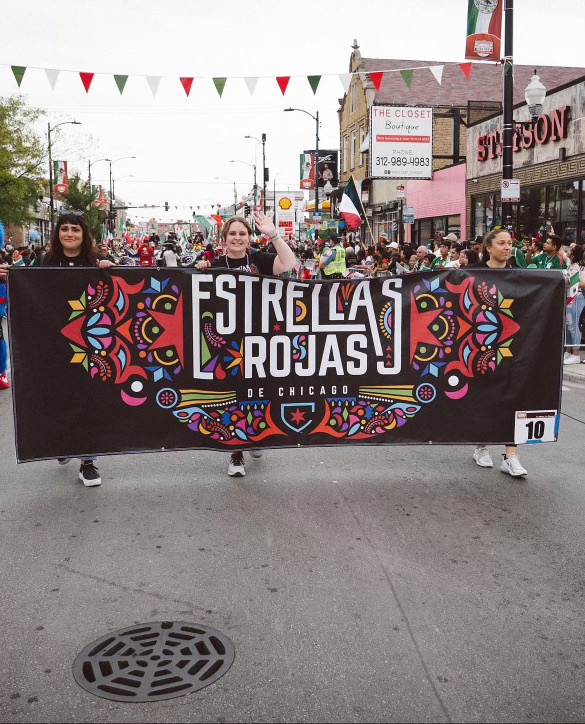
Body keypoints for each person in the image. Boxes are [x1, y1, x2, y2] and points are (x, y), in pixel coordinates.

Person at [196, 210, 296, 477]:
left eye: (242, 234)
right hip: (227, 345)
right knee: (234, 396)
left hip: (259, 341)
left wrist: (273, 234)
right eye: (233, 234)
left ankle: (255, 435)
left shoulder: (259, 260)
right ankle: (236, 452)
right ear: (224, 238)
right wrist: (200, 270)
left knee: (259, 394)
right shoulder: (214, 263)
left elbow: (289, 263)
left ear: (249, 238)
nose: (237, 238)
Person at [39, 210, 116, 486]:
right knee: (60, 396)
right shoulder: (43, 263)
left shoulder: (96, 263)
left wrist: (108, 270)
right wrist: (6, 277)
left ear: (84, 235)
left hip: (91, 345)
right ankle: (64, 442)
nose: (69, 233)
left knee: (88, 400)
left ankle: (88, 461)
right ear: (57, 234)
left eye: (75, 229)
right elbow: (25, 292)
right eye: (64, 229)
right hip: (55, 345)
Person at [470, 228, 528, 478]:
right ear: (488, 248)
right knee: (483, 397)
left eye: (510, 243)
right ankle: (481, 446)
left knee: (512, 397)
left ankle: (511, 456)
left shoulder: (519, 275)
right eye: (502, 243)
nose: (507, 247)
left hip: (512, 346)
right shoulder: (473, 273)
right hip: (478, 346)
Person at [564, 244, 585, 364]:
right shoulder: (571, 265)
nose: (568, 249)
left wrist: (567, 279)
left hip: (575, 297)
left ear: (573, 254)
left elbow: (575, 282)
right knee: (568, 325)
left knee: (573, 325)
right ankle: (568, 350)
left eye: (571, 249)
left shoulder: (576, 267)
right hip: (570, 297)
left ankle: (576, 353)